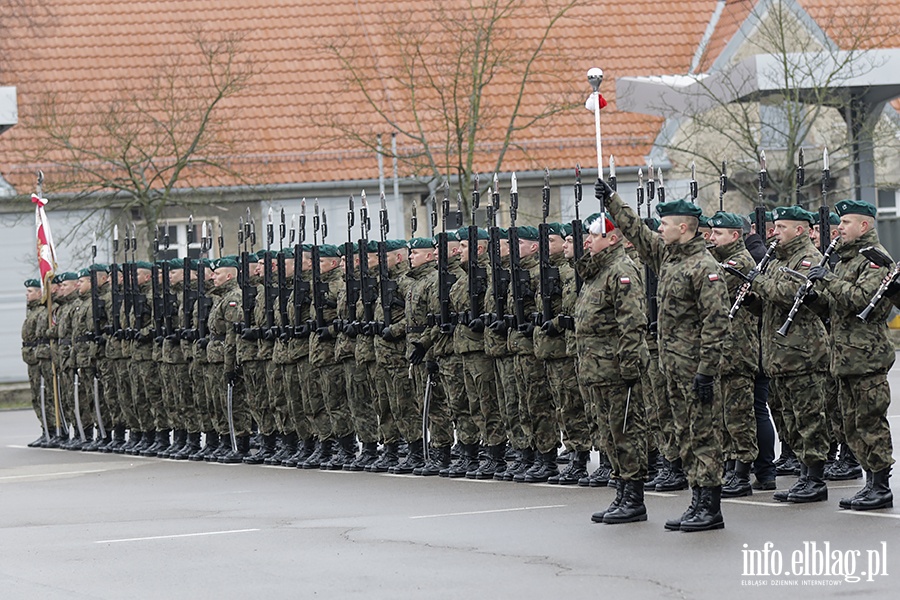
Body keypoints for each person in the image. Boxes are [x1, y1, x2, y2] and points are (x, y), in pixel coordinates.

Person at [599, 181, 731, 532]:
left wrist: (706, 371)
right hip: (672, 367)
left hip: (694, 368)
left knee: (703, 435)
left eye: (665, 224)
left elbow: (717, 323)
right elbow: (638, 233)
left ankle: (710, 506)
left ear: (683, 228)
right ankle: (697, 500)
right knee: (685, 434)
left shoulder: (704, 267)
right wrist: (613, 202)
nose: (660, 229)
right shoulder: (669, 256)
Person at [807, 199, 894, 510]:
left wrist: (828, 279)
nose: (839, 229)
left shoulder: (875, 259)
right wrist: (813, 299)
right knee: (852, 425)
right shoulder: (847, 259)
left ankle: (881, 486)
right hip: (845, 357)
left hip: (867, 357)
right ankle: (870, 482)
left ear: (864, 226)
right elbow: (835, 309)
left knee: (871, 423)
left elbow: (860, 300)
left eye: (845, 224)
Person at [750, 206, 830, 503]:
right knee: (790, 421)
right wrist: (751, 300)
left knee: (809, 419)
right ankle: (803, 476)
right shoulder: (777, 260)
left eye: (781, 227)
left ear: (800, 230)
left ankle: (815, 478)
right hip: (780, 355)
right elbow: (770, 305)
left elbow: (788, 294)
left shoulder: (809, 258)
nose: (773, 232)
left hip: (803, 354)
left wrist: (756, 281)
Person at [574, 213, 650, 524]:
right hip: (598, 367)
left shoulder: (620, 270)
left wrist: (630, 364)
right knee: (609, 432)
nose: (588, 241)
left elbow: (632, 323)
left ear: (613, 238)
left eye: (594, 236)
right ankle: (621, 491)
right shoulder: (597, 271)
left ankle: (633, 497)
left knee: (625, 432)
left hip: (617, 367)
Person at [708, 212, 759, 497]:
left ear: (735, 236)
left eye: (718, 234)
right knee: (724, 415)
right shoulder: (720, 260)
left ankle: (741, 471)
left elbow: (710, 285)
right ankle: (730, 466)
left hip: (736, 350)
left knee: (739, 416)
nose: (712, 238)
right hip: (722, 350)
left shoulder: (738, 263)